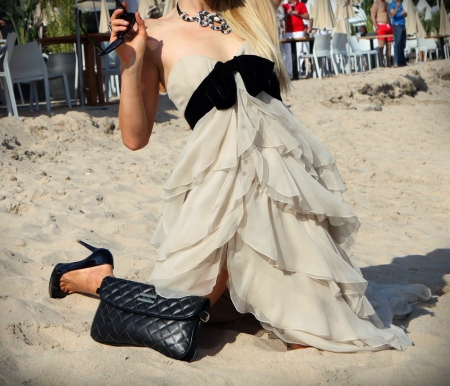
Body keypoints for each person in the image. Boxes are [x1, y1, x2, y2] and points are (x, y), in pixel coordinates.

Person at [51, 0, 431, 353]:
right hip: (221, 191)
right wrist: (130, 62)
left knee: (316, 333)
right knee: (176, 310)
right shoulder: (150, 36)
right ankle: (94, 276)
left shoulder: (247, 16)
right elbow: (135, 137)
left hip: (277, 190)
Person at [282, 0, 309, 78]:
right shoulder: (284, 6)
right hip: (288, 31)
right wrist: (287, 13)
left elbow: (307, 16)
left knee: (299, 51)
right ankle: (289, 72)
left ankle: (298, 70)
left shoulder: (301, 4)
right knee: (287, 52)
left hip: (299, 30)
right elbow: (281, 18)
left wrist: (298, 14)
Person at [371, 0, 393, 67]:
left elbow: (388, 15)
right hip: (381, 25)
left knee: (389, 46)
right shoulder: (376, 3)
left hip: (388, 25)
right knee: (381, 46)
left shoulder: (386, 4)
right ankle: (382, 63)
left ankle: (389, 62)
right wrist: (376, 26)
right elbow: (372, 16)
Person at [389, 0, 407, 67]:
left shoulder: (400, 4)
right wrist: (397, 6)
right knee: (397, 43)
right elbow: (392, 14)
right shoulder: (391, 4)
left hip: (403, 25)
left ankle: (402, 61)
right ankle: (397, 61)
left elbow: (406, 15)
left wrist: (404, 13)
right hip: (396, 25)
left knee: (402, 44)